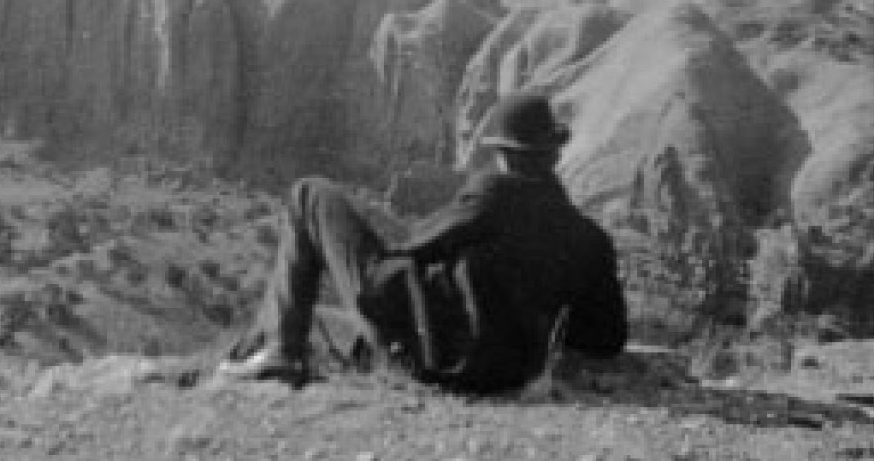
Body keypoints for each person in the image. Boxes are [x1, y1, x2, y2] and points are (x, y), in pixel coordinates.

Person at [217, 90, 630, 394]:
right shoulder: (591, 241)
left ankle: (279, 352)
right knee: (326, 319)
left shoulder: (493, 194)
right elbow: (607, 339)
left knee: (311, 194)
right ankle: (256, 352)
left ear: (503, 155)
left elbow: (414, 245)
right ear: (555, 156)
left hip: (431, 356)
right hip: (505, 370)